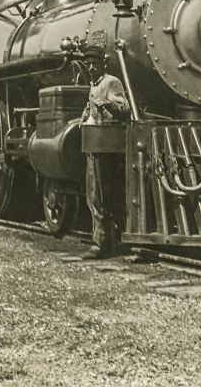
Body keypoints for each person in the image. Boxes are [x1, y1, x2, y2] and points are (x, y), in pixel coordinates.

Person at [80, 45, 130, 258]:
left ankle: (103, 243)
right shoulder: (94, 84)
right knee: (95, 195)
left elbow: (124, 109)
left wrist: (106, 103)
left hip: (107, 144)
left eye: (95, 64)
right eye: (88, 64)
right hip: (95, 143)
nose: (91, 67)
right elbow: (90, 107)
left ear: (103, 64)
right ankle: (107, 240)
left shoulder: (111, 82)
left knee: (101, 194)